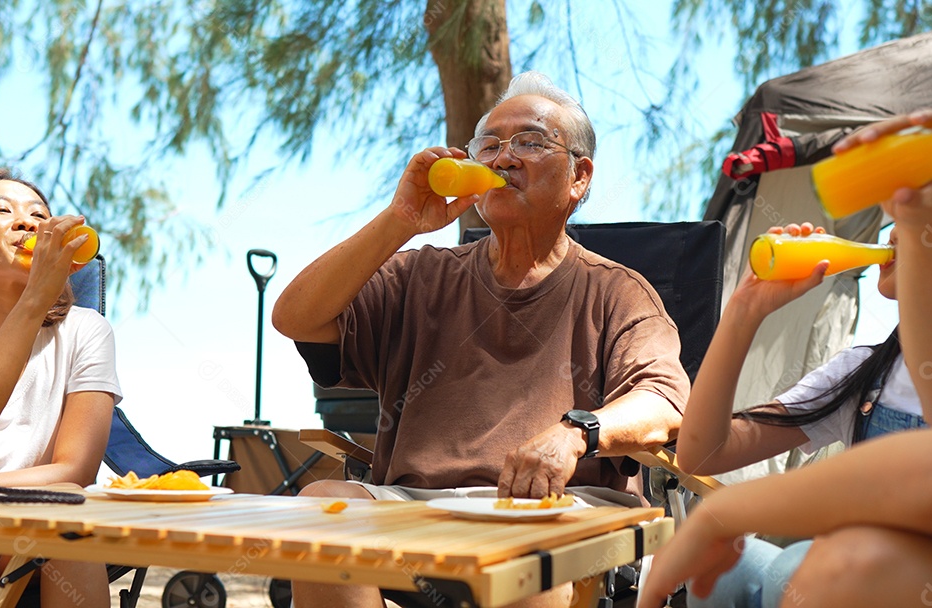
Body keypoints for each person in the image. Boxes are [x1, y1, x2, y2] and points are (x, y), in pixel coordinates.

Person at [272, 71, 690, 607]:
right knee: (319, 507)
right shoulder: (419, 276)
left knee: (527, 558)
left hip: (555, 505)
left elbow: (664, 401)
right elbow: (295, 317)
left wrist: (575, 433)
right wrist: (400, 220)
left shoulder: (617, 291)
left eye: (530, 142)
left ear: (578, 178)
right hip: (413, 504)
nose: (502, 157)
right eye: (487, 145)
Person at [637, 60, 932, 608]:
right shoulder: (875, 370)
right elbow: (702, 453)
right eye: (899, 220)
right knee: (749, 570)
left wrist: (732, 512)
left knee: (830, 563)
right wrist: (744, 313)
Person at [0, 169, 121, 608]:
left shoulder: (87, 331)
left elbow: (75, 472)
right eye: (0, 210)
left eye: (39, 215)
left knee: (70, 525)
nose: (28, 222)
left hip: (33, 527)